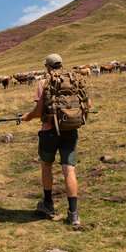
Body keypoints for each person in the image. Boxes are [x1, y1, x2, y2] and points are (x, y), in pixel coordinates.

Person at [20, 54, 90, 226]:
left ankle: (48, 204)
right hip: (71, 130)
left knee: (46, 166)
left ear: (48, 67)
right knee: (69, 171)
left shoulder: (44, 83)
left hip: (50, 131)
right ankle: (73, 213)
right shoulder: (74, 80)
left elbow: (39, 110)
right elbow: (88, 104)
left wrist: (28, 117)